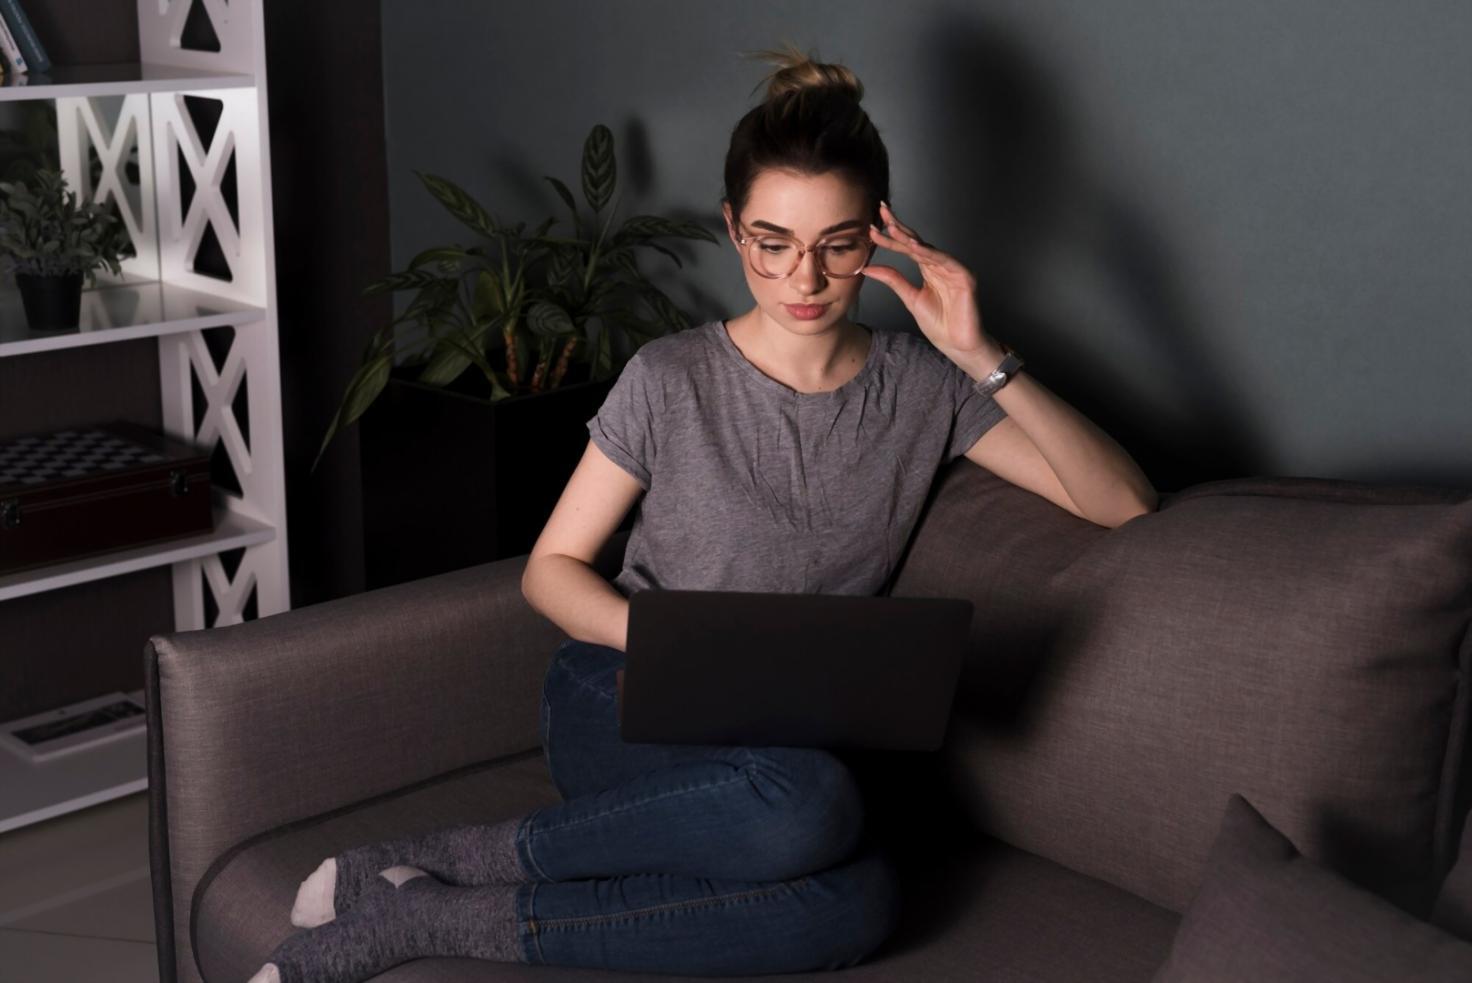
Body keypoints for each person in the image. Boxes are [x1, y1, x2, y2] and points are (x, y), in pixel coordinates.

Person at [252, 41, 1157, 983]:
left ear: (882, 238)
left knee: (856, 900)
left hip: (791, 738)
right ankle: (467, 855)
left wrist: (981, 355)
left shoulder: (924, 388)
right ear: (734, 230)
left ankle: (426, 916)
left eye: (838, 245)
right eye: (773, 244)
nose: (802, 279)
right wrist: (671, 641)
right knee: (805, 806)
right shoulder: (671, 378)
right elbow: (549, 569)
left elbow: (1124, 503)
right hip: (624, 695)